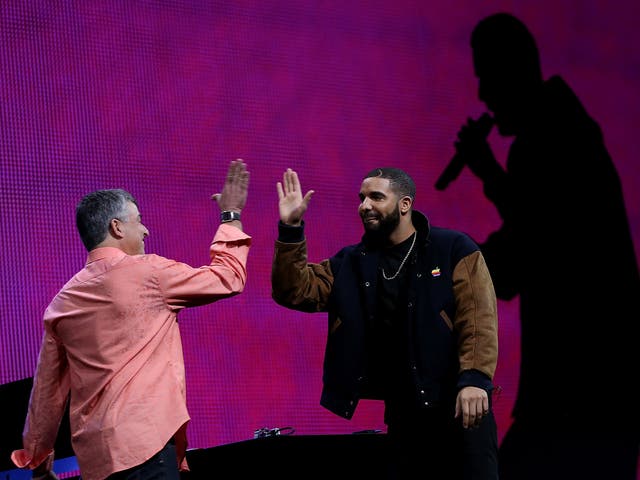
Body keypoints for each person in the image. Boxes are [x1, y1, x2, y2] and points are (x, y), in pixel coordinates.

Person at [449, 12, 640, 479]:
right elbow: (530, 244)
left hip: (581, 388)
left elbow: (538, 236)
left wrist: (449, 263)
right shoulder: (566, 125)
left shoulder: (550, 133)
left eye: (487, 76)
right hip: (597, 390)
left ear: (513, 69)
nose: (482, 94)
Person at [10, 159, 251, 480]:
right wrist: (231, 216)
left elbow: (46, 393)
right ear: (116, 227)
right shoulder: (149, 273)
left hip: (95, 463)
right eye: (139, 220)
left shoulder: (61, 304)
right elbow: (228, 278)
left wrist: (38, 463)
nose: (146, 229)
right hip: (146, 449)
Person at [271, 167, 499, 479]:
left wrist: (474, 379)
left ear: (405, 204)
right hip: (405, 414)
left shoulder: (452, 249)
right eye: (362, 198)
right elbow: (294, 291)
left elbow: (478, 318)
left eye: (376, 197)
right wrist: (291, 228)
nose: (364, 206)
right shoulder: (351, 263)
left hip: (460, 408)